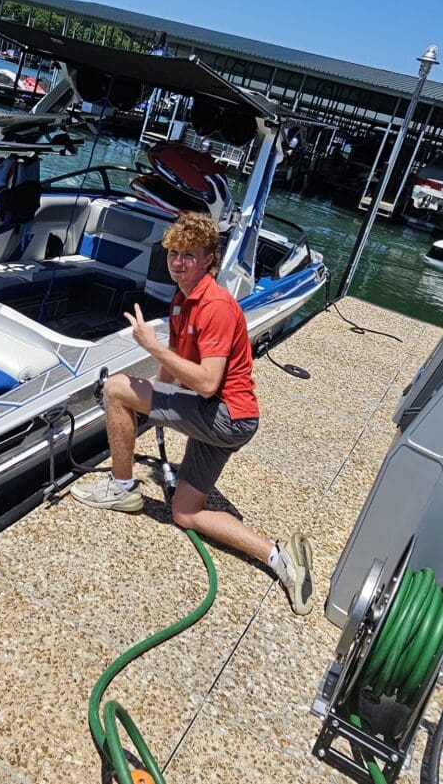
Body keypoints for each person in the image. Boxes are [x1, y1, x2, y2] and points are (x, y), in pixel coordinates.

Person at [71, 211, 314, 614]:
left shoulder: (215, 305)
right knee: (185, 513)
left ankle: (122, 489)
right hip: (222, 417)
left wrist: (149, 353)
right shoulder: (183, 298)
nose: (178, 262)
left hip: (225, 416)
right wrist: (154, 402)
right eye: (174, 253)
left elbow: (205, 382)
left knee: (115, 387)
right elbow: (176, 367)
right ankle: (278, 557)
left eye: (189, 255)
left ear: (209, 261)